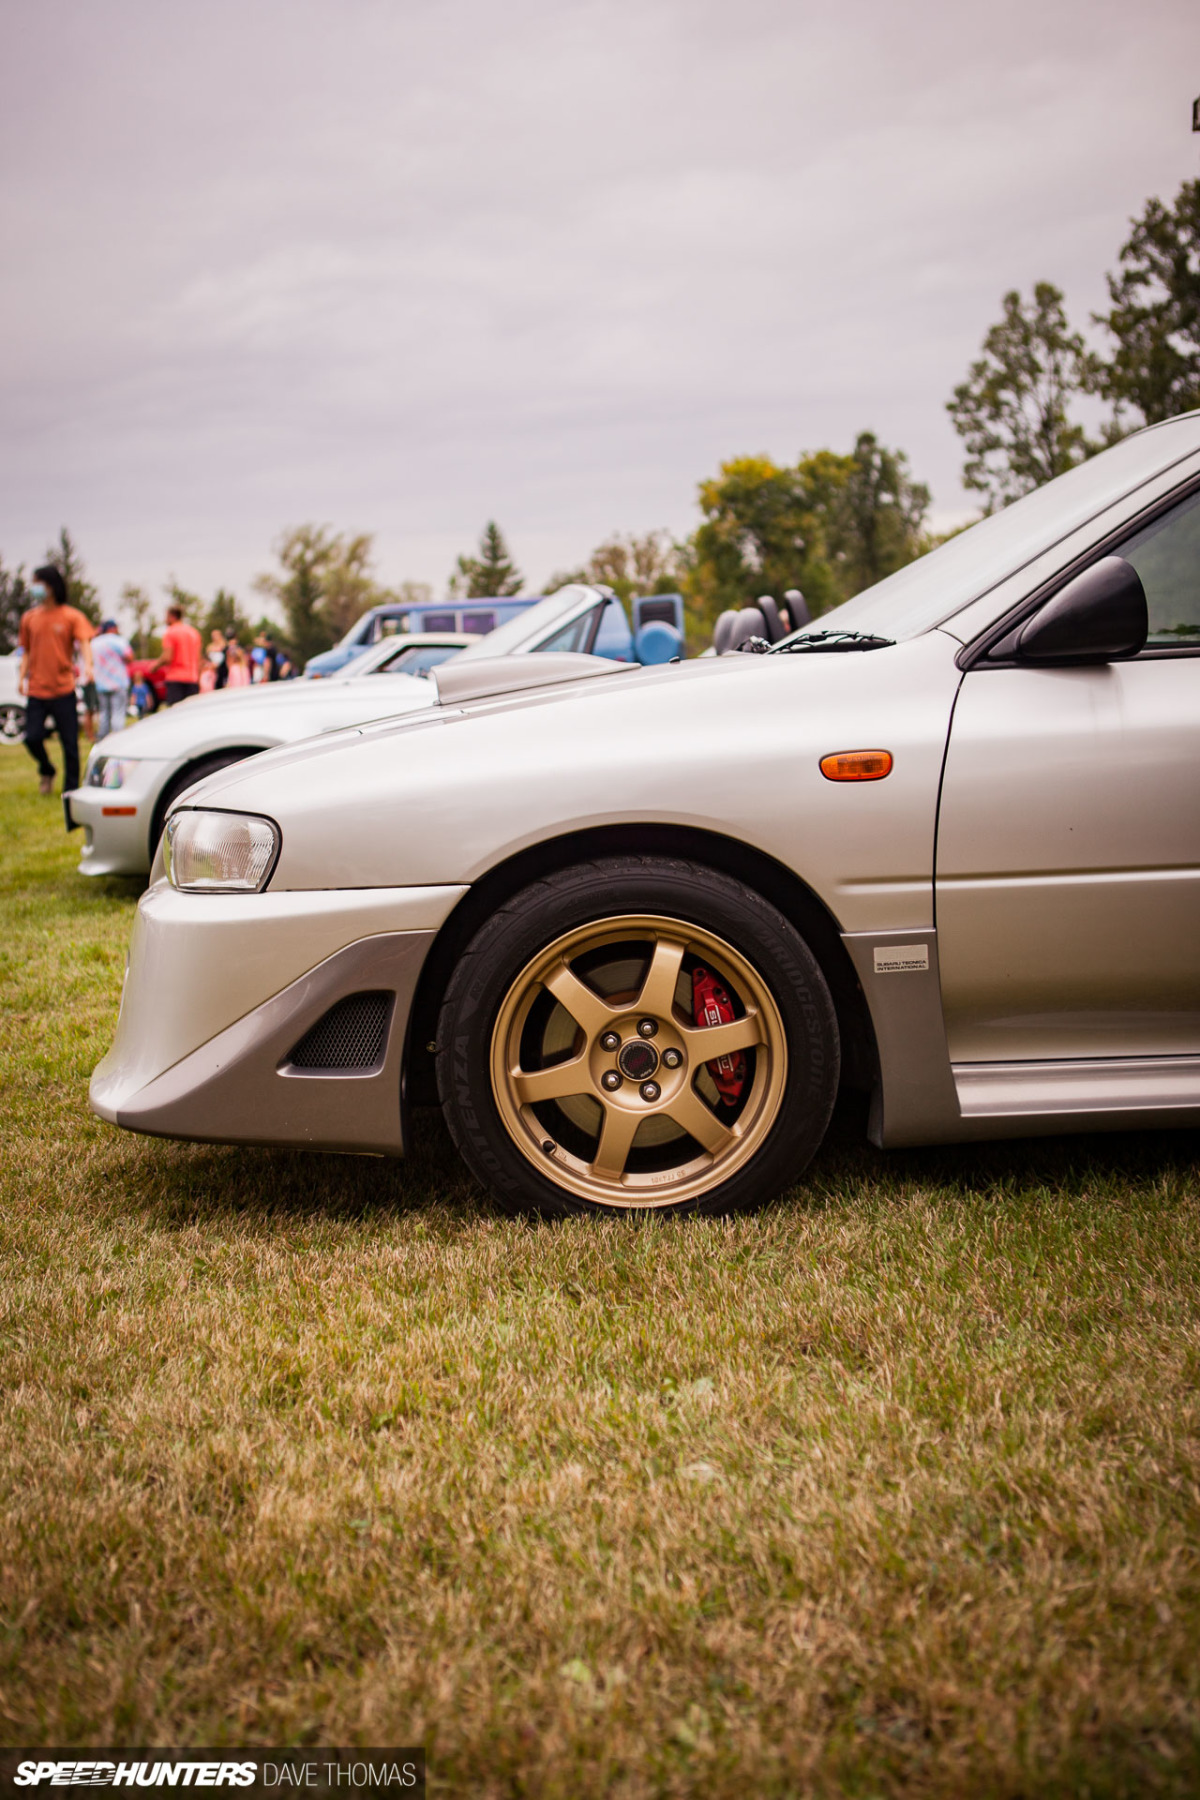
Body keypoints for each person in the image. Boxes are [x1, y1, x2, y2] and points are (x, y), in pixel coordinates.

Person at [18, 564, 94, 798]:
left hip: (63, 688)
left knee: (70, 743)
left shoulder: (71, 616)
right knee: (32, 738)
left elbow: (84, 644)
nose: (35, 588)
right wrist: (22, 678)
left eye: (38, 582)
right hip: (37, 689)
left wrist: (88, 666)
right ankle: (47, 769)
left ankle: (70, 792)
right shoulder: (29, 618)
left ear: (51, 585)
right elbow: (27, 652)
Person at [91, 618, 133, 740]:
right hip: (118, 682)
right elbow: (129, 657)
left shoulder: (94, 643)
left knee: (104, 714)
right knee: (118, 713)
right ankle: (117, 740)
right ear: (112, 628)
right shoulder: (119, 641)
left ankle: (102, 740)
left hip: (101, 684)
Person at [153, 604, 203, 705]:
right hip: (192, 679)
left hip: (175, 679)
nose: (165, 620)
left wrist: (154, 666)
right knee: (191, 714)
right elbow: (199, 659)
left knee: (175, 715)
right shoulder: (194, 632)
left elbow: (167, 657)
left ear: (172, 616)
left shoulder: (171, 632)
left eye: (166, 617)